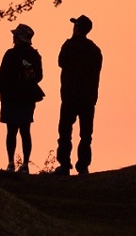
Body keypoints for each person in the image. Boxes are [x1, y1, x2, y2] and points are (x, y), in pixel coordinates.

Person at [0, 23, 44, 173]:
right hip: (26, 96)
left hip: (11, 96)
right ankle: (24, 164)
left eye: (15, 35)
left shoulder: (10, 54)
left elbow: (2, 76)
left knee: (11, 131)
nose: (13, 38)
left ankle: (11, 163)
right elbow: (39, 76)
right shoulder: (34, 55)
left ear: (18, 38)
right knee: (25, 130)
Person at [54, 14, 103, 176]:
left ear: (76, 28)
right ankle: (83, 166)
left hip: (70, 95)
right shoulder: (95, 50)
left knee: (65, 131)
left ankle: (64, 164)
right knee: (86, 134)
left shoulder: (69, 45)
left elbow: (60, 62)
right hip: (88, 97)